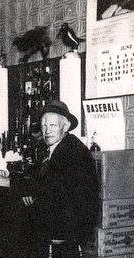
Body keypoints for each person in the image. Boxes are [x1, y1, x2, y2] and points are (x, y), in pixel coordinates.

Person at [21, 100, 99, 245]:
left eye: (52, 125)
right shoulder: (58, 146)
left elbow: (53, 187)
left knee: (12, 220)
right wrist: (27, 189)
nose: (47, 130)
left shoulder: (71, 150)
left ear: (66, 126)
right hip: (63, 214)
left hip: (73, 222)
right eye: (44, 126)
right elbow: (40, 179)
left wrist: (19, 186)